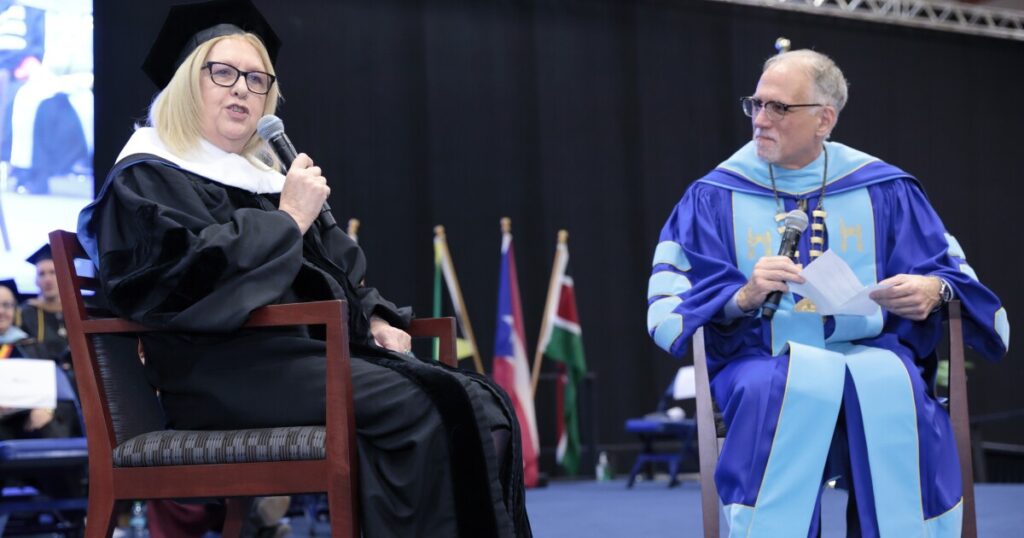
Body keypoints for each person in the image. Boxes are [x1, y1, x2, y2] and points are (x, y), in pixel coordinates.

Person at [77, 1, 530, 536]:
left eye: (256, 79)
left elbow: (334, 268)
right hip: (221, 371)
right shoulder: (147, 177)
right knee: (427, 406)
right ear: (183, 85)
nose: (242, 88)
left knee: (484, 401)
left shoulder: (264, 177)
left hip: (296, 359)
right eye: (222, 72)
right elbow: (177, 287)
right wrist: (288, 218)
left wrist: (377, 319)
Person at [646, 49, 1008, 537]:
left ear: (825, 119)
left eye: (779, 108)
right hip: (762, 358)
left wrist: (933, 288)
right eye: (756, 104)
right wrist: (744, 296)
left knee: (898, 389)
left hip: (870, 353)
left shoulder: (885, 189)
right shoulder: (715, 195)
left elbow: (956, 276)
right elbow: (671, 303)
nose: (761, 120)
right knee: (769, 392)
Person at [18, 244, 71, 363]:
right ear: (36, 280)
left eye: (53, 272)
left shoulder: (78, 309)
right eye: (41, 274)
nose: (48, 279)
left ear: (64, 276)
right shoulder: (24, 313)